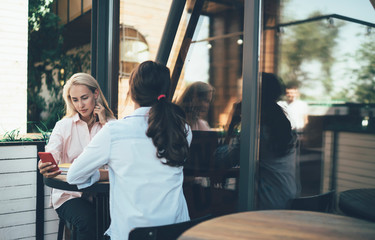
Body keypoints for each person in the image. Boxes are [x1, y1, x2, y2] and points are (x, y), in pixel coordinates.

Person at [67, 61, 192, 240]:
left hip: (131, 234)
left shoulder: (114, 131)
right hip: (176, 231)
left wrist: (108, 173)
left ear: (131, 93)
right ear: (166, 91)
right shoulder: (184, 130)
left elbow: (74, 176)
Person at [38, 73, 115, 240]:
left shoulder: (111, 124)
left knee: (114, 222)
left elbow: (119, 157)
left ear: (95, 94)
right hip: (69, 195)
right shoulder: (64, 125)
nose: (80, 105)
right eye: (75, 99)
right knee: (87, 220)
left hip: (102, 195)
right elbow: (52, 152)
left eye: (84, 97)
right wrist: (44, 164)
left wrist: (104, 123)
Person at [258, 72, 298, 210]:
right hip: (288, 196)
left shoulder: (258, 128)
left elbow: (225, 158)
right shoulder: (281, 122)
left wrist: (233, 122)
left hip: (266, 204)